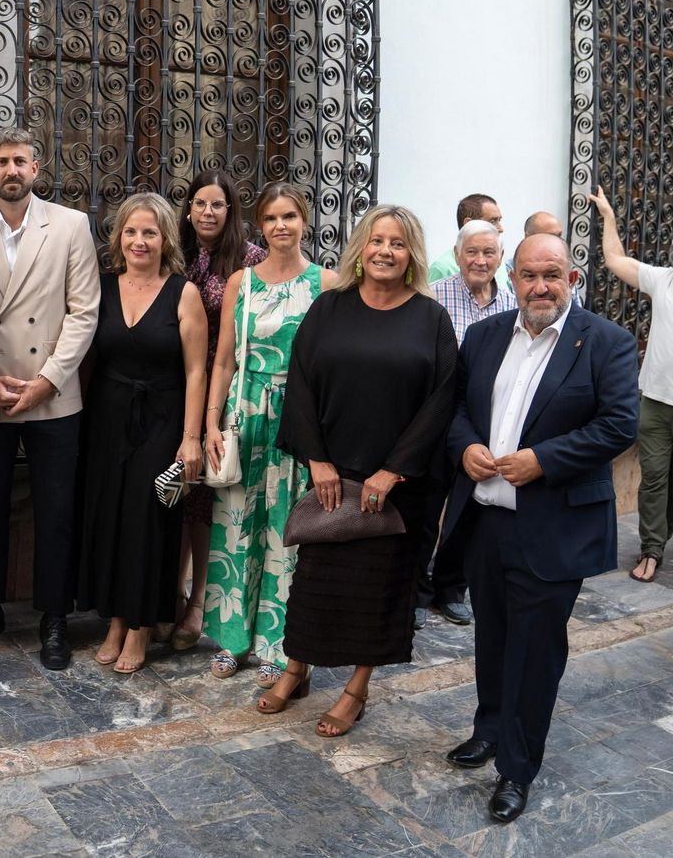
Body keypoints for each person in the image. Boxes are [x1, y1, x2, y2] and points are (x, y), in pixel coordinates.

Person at [441, 233, 638, 822]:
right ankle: (489, 729)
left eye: (552, 274)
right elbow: (455, 411)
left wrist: (543, 460)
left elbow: (619, 424)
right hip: (486, 517)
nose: (541, 286)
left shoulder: (606, 342)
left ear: (573, 279)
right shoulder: (483, 336)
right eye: (529, 275)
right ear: (513, 280)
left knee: (535, 650)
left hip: (554, 527)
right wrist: (466, 447)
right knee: (493, 636)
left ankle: (517, 770)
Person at [270, 205, 457, 737]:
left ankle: (356, 689)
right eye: (377, 241)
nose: (385, 252)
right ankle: (296, 670)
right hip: (331, 475)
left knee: (377, 590)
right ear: (361, 248)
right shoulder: (329, 308)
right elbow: (300, 383)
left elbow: (442, 399)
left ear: (411, 255)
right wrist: (317, 459)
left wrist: (393, 470)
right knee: (313, 585)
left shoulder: (430, 318)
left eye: (398, 244)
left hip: (395, 487)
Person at [0, 127, 101, 669]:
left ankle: (55, 617)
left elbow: (84, 311)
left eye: (21, 161)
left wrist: (48, 380)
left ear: (37, 168)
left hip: (53, 395)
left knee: (55, 512)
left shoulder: (71, 225)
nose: (11, 170)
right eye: (1, 161)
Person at [202, 183, 336, 688]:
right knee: (237, 525)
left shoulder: (327, 282)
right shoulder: (242, 282)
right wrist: (212, 423)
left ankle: (279, 644)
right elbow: (223, 359)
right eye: (272, 218)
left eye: (290, 216)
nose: (281, 226)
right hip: (245, 417)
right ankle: (231, 638)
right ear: (260, 224)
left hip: (298, 418)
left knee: (286, 530)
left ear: (304, 221)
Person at [78, 192, 207, 672]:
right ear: (119, 238)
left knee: (148, 521)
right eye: (131, 231)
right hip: (107, 419)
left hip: (163, 418)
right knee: (109, 517)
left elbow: (197, 371)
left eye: (149, 232)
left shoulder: (183, 291)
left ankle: (140, 626)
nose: (139, 240)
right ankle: (115, 618)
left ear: (165, 238)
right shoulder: (104, 286)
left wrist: (190, 437)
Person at [173, 169, 267, 653]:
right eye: (200, 203)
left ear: (231, 212)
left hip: (225, 389)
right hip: (176, 385)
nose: (208, 212)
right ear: (188, 208)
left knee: (209, 498)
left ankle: (199, 607)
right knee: (180, 494)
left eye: (218, 204)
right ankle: (176, 590)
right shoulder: (176, 253)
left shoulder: (250, 262)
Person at [417, 219, 517, 629]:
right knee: (425, 513)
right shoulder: (433, 297)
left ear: (500, 258)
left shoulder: (512, 304)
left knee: (466, 513)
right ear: (457, 255)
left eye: (488, 253)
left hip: (481, 429)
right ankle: (417, 595)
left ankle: (450, 589)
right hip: (432, 421)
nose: (479, 260)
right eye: (472, 252)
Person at [587, 188, 666, 583]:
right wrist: (609, 216)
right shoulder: (664, 280)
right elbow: (616, 260)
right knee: (653, 477)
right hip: (656, 402)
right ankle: (651, 549)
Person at [428, 193, 503, 285]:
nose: (500, 229)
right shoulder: (442, 268)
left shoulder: (499, 263)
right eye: (492, 221)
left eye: (499, 220)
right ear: (468, 223)